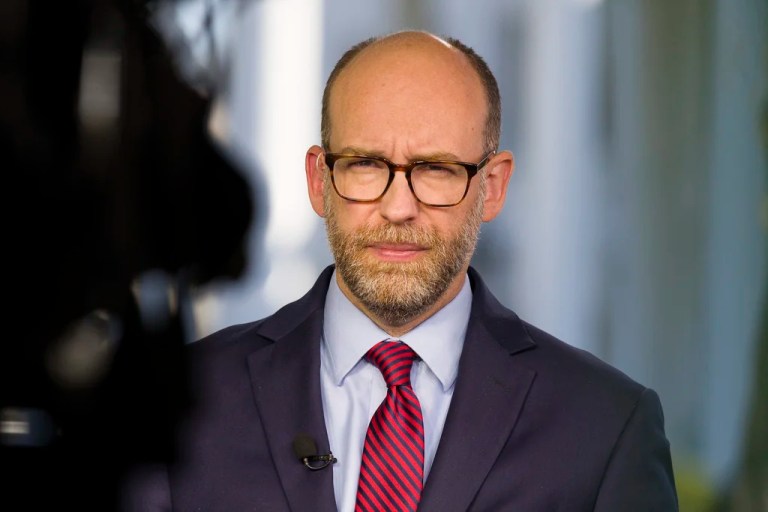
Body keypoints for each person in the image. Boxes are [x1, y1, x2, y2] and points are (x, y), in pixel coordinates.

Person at [122, 30, 678, 511]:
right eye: (365, 165)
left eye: (435, 169)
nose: (397, 206)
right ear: (319, 180)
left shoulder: (606, 427)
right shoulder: (178, 401)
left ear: (494, 186)